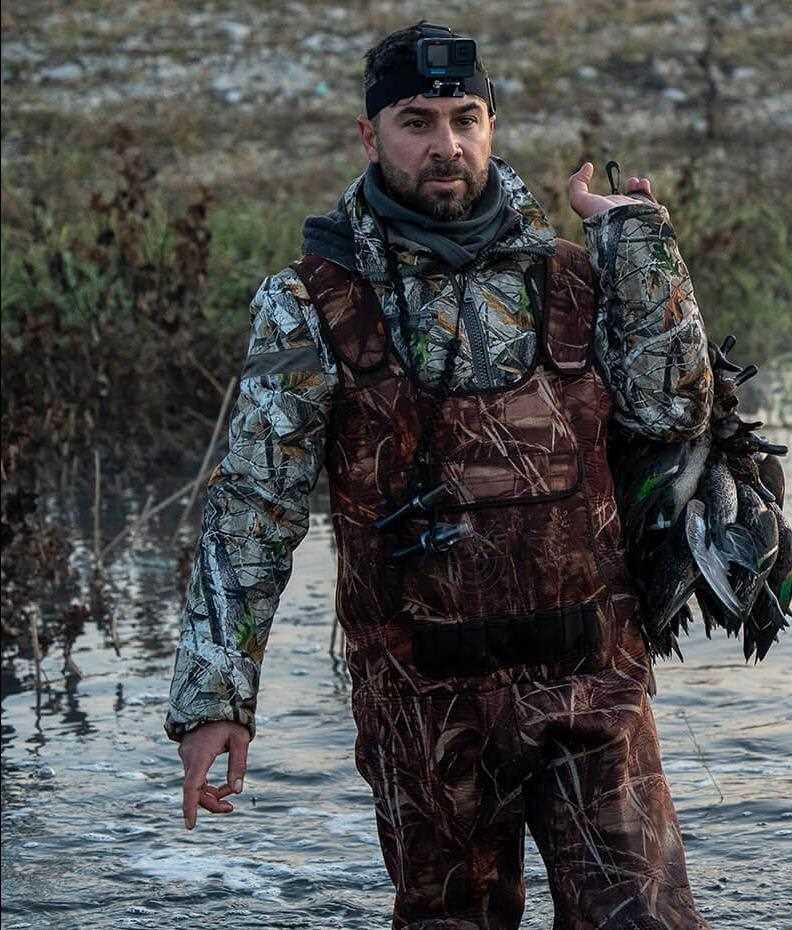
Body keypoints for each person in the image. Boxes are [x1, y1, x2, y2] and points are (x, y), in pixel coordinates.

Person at [165, 21, 714, 930]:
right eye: (416, 121)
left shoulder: (580, 276)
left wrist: (644, 245)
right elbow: (253, 506)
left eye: (465, 118)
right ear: (369, 134)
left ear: (492, 122)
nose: (445, 145)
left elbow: (674, 414)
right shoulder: (311, 302)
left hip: (592, 686)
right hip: (423, 705)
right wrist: (218, 698)